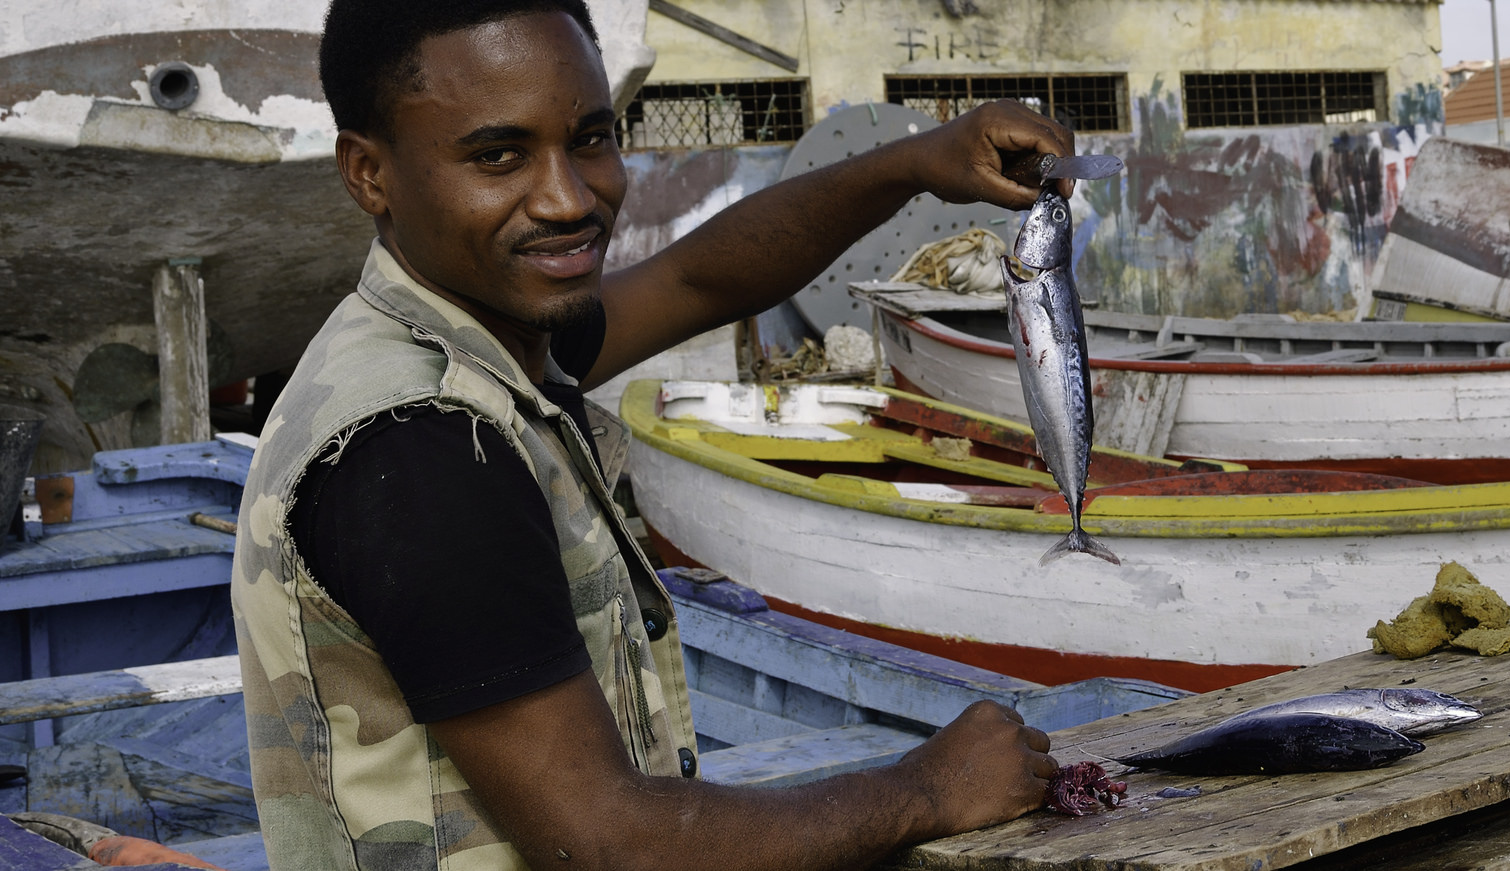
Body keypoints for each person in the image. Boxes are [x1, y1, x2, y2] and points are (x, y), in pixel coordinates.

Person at [230, 2, 1080, 868]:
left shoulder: (472, 336)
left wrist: (917, 163)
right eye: (498, 156)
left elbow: (697, 278)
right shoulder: (423, 444)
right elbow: (609, 840)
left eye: (591, 139)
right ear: (368, 172)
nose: (569, 198)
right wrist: (927, 790)